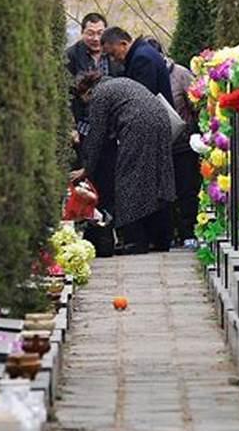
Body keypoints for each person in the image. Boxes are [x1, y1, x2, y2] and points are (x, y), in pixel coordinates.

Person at [70, 72, 176, 254]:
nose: (87, 105)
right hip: (161, 120)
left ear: (87, 92)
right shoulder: (117, 83)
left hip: (137, 126)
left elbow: (97, 135)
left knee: (129, 179)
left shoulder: (99, 95)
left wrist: (86, 169)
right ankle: (162, 238)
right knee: (158, 178)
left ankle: (135, 241)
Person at [146, 38, 201, 249]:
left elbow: (196, 102)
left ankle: (188, 232)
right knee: (162, 193)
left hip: (182, 143)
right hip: (157, 146)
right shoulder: (141, 74)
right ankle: (166, 234)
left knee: (186, 189)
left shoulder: (180, 74)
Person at [65, 13, 122, 216]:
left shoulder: (114, 53)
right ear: (82, 33)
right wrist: (70, 126)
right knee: (87, 179)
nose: (96, 38)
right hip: (84, 128)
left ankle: (110, 225)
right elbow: (66, 94)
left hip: (111, 129)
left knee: (110, 177)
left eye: (100, 33)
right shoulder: (71, 56)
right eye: (90, 33)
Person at [100, 27, 173, 107]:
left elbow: (143, 97)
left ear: (123, 44)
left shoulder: (141, 59)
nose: (112, 59)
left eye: (113, 53)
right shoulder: (142, 51)